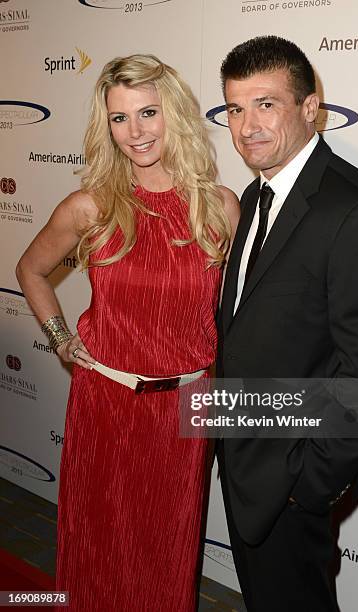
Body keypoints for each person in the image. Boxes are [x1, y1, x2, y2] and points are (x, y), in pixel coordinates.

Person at [16, 54, 239, 611]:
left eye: (148, 113)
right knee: (99, 547)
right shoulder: (91, 206)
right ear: (105, 126)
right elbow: (30, 269)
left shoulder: (220, 207)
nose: (135, 132)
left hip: (187, 407)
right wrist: (60, 338)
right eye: (119, 118)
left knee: (169, 551)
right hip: (106, 402)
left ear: (176, 115)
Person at [216, 36, 358, 611]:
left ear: (310, 109)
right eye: (234, 108)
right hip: (244, 461)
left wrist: (308, 485)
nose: (247, 125)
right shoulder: (257, 197)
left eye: (266, 104)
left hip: (291, 482)